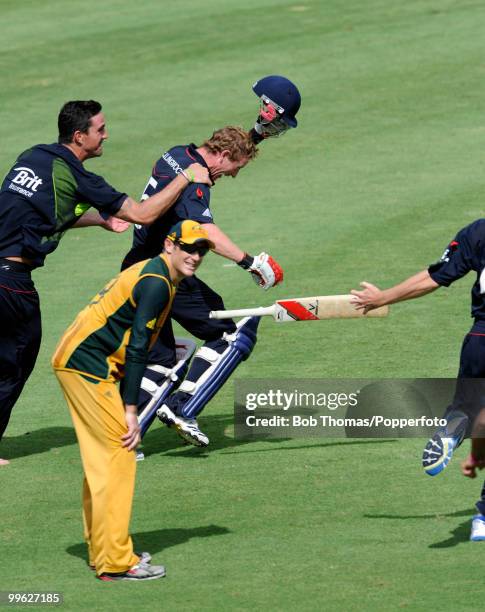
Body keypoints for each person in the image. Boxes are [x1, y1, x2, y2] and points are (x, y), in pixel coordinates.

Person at [0, 100, 210, 465]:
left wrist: (97, 220)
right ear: (79, 136)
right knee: (16, 360)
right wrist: (187, 176)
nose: (106, 135)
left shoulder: (33, 156)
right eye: (100, 129)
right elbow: (143, 214)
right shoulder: (79, 176)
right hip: (11, 283)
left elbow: (43, 212)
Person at [52, 220, 214, 580]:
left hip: (82, 363)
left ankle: (104, 551)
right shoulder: (156, 283)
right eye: (189, 247)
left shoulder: (158, 274)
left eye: (201, 250)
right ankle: (116, 561)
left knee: (104, 459)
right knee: (119, 455)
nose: (195, 256)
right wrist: (131, 410)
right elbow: (139, 346)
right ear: (169, 245)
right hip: (87, 367)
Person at [120, 123, 294, 449]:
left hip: (134, 270)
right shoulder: (195, 188)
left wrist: (255, 136)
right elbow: (207, 232)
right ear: (225, 154)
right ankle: (182, 409)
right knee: (230, 334)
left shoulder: (176, 155)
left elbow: (217, 158)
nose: (235, 175)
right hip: (165, 276)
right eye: (236, 167)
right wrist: (251, 262)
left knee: (162, 358)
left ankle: (123, 440)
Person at [350, 218, 485, 541]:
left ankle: (455, 424)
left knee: (470, 411)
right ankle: (483, 515)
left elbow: (435, 277)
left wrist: (383, 298)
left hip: (480, 339)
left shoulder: (478, 232)